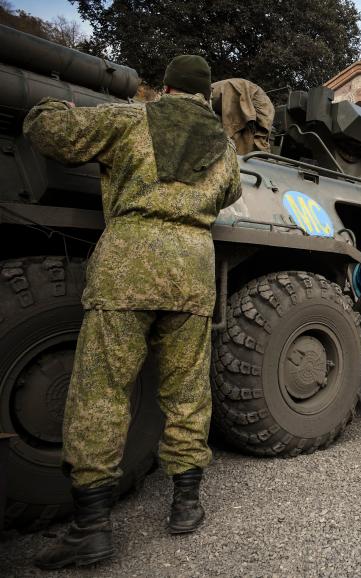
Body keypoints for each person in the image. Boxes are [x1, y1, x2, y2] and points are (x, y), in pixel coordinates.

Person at [24, 55, 242, 570]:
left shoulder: (130, 117)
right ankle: (186, 504)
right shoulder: (224, 148)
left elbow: (51, 130)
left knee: (102, 389)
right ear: (204, 95)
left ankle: (92, 528)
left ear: (164, 87)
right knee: (188, 388)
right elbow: (230, 192)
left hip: (130, 259)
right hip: (192, 265)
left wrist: (55, 103)